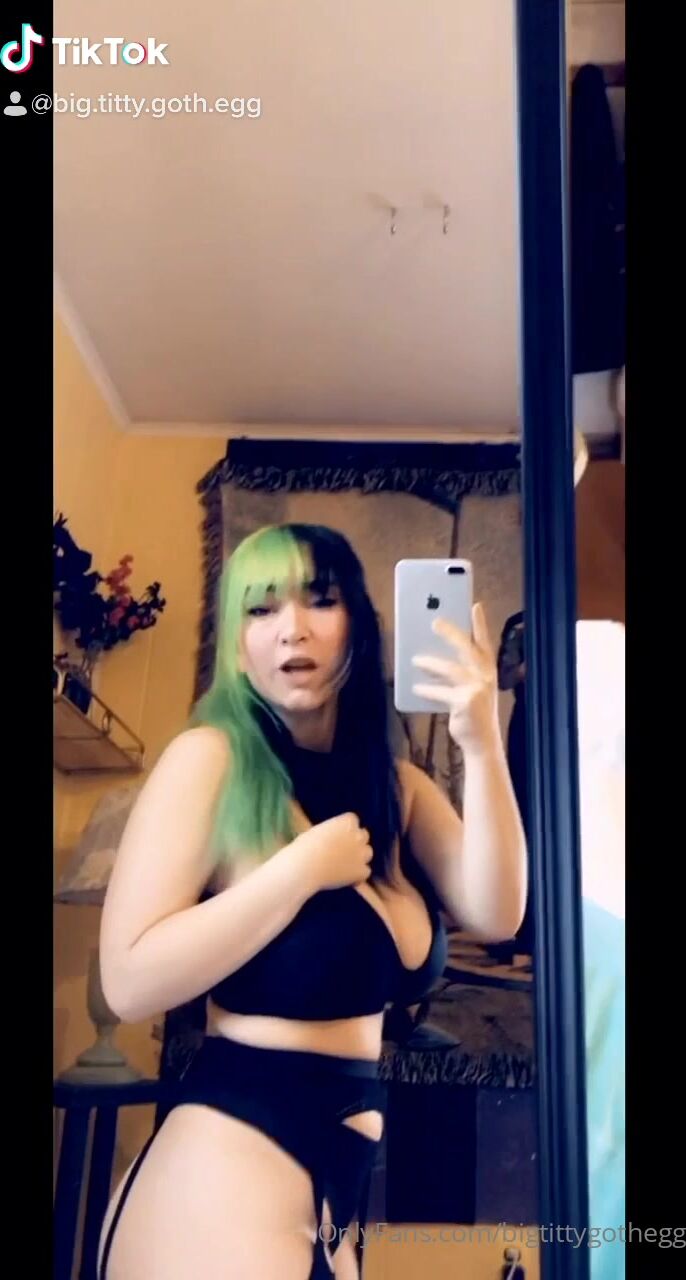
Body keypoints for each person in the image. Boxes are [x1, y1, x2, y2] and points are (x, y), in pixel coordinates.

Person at [97, 523, 527, 1280]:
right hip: (223, 1167)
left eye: (320, 600)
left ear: (357, 623)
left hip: (337, 1176)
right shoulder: (211, 760)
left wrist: (482, 741)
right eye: (261, 609)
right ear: (236, 644)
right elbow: (128, 984)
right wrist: (295, 872)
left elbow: (498, 912)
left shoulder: (398, 789)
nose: (292, 627)